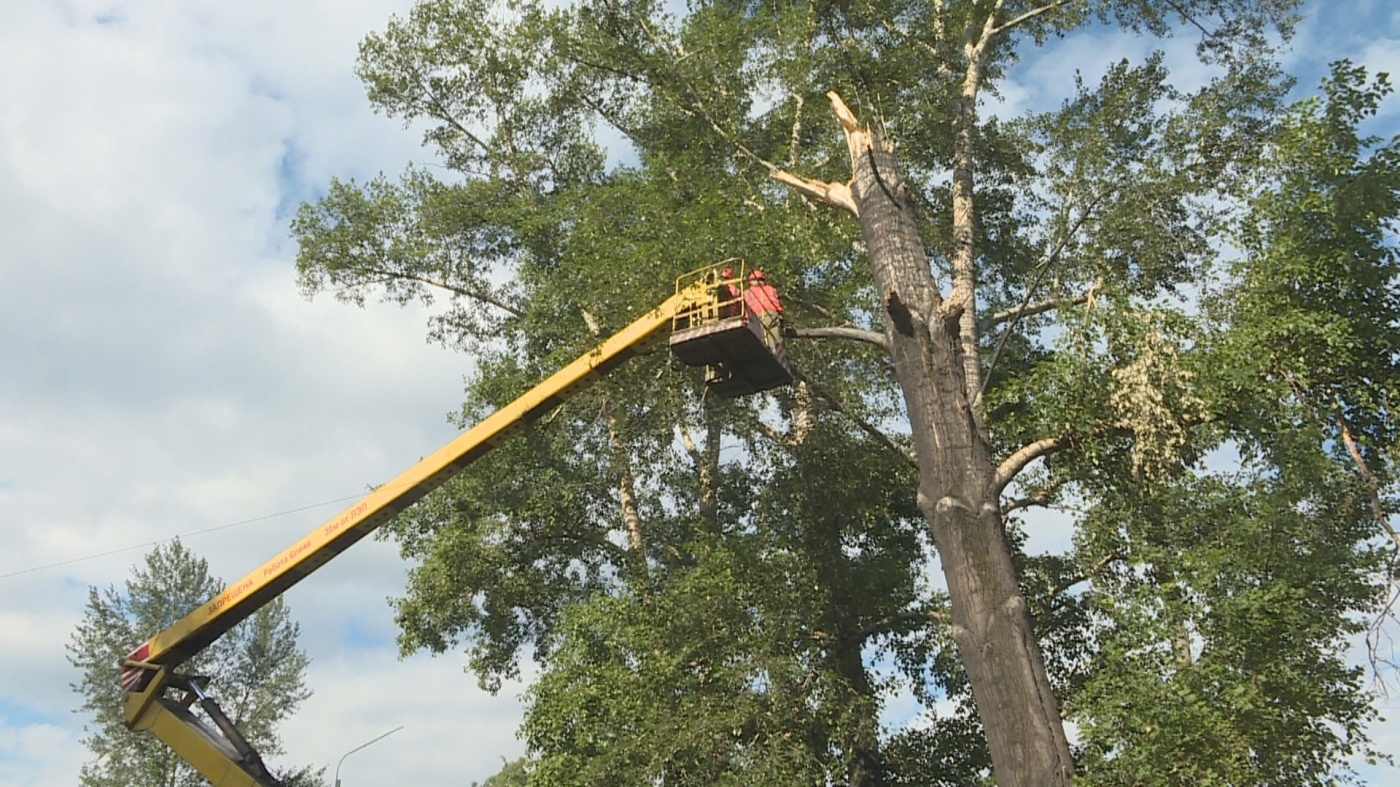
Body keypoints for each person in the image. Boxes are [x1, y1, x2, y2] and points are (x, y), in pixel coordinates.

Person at [743, 268, 783, 349]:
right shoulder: (771, 289)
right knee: (775, 342)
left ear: (750, 281)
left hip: (756, 318)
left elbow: (746, 310)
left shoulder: (747, 293)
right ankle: (776, 354)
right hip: (772, 316)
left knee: (758, 342)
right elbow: (777, 305)